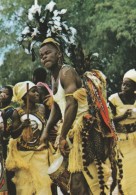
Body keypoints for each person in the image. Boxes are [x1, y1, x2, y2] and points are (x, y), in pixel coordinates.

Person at [39, 38, 118, 195]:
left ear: (59, 54)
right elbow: (57, 105)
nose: (44, 57)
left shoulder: (66, 72)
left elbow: (72, 104)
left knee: (95, 180)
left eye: (48, 53)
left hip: (86, 133)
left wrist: (61, 136)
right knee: (78, 185)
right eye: (41, 56)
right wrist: (46, 130)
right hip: (72, 134)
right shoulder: (54, 77)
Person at [5, 81, 53, 195]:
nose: (37, 94)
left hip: (40, 154)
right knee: (24, 189)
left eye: (37, 91)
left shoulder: (42, 108)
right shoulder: (17, 112)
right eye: (33, 91)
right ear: (25, 95)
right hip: (23, 158)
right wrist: (22, 127)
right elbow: (13, 134)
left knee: (44, 188)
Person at [108, 69, 136, 195]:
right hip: (120, 140)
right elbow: (107, 120)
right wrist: (123, 117)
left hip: (134, 139)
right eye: (123, 84)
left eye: (128, 85)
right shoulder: (114, 99)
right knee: (122, 171)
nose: (124, 87)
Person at [0, 85, 16, 195]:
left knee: (9, 175)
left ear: (10, 97)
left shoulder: (11, 111)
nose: (2, 95)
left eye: (6, 93)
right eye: (1, 92)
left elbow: (8, 133)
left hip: (7, 147)